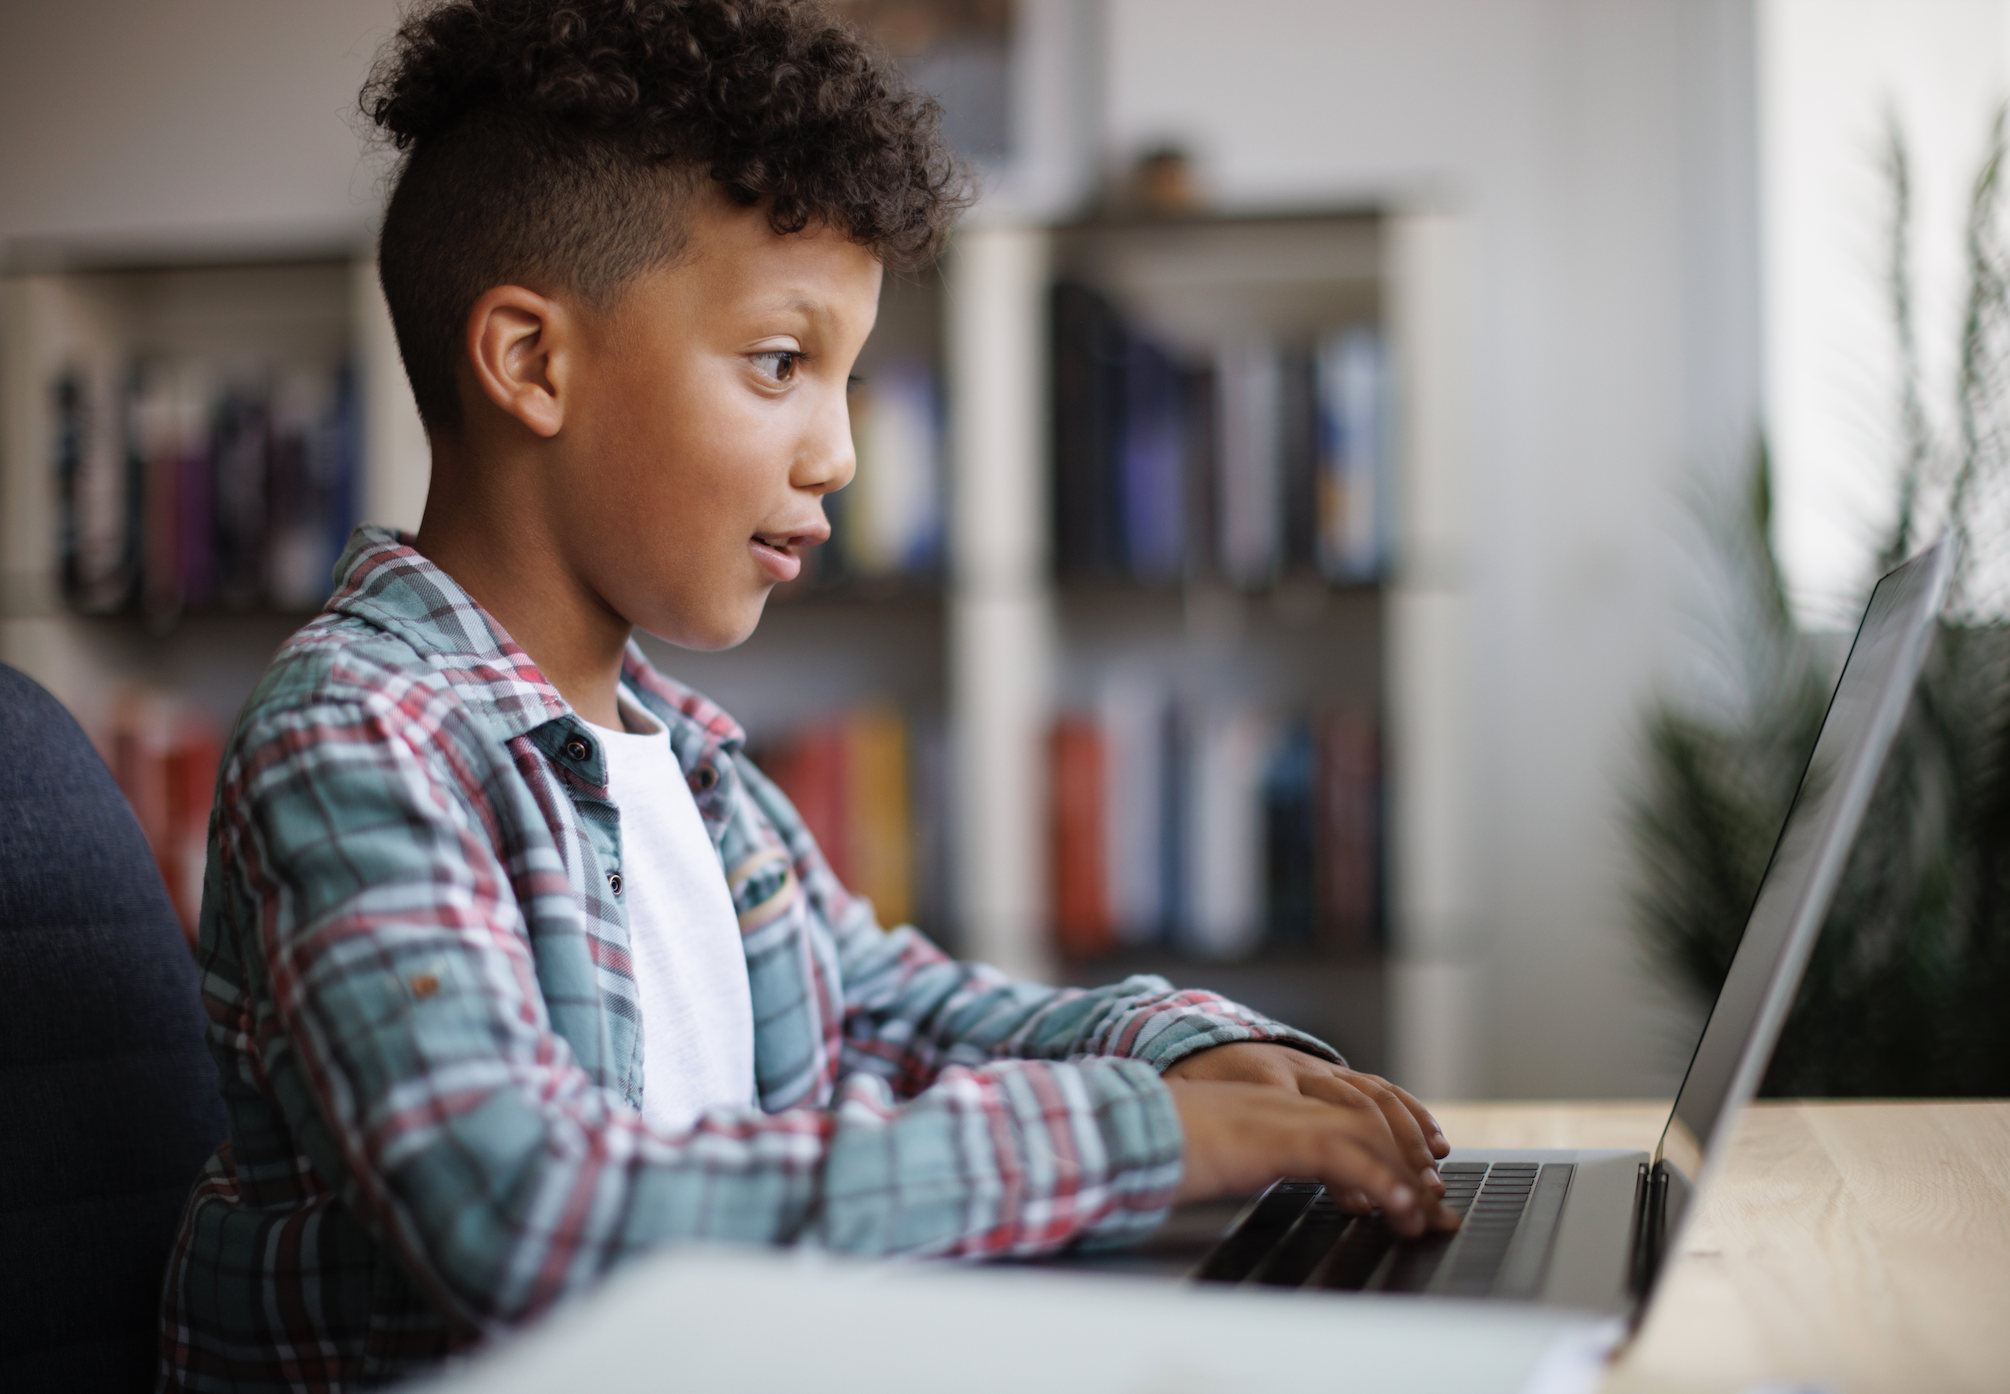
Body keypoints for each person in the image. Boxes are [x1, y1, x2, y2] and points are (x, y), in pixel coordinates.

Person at [156, 2, 1455, 1388]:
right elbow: (521, 1210)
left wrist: (1201, 1053)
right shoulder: (360, 735)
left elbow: (894, 1011)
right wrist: (1150, 1138)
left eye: (847, 377)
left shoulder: (686, 763)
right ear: (533, 361)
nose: (837, 452)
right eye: (781, 363)